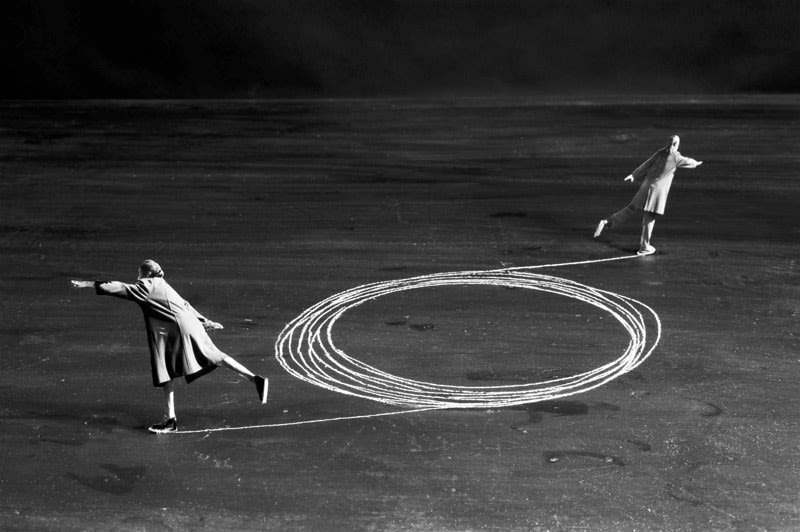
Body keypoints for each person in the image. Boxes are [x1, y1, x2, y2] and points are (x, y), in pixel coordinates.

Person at [71, 259, 268, 433]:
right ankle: (255, 379)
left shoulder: (145, 286)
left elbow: (120, 287)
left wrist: (89, 284)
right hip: (190, 324)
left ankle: (170, 419)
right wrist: (205, 321)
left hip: (174, 330)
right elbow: (185, 304)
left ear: (146, 273)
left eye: (139, 273)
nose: (137, 277)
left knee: (165, 370)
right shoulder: (162, 284)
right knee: (214, 355)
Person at [593, 135, 702, 255]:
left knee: (631, 208)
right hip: (657, 191)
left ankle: (607, 222)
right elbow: (689, 162)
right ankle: (644, 247)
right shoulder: (676, 157)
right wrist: (696, 163)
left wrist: (634, 174)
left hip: (646, 185)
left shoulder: (660, 153)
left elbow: (646, 164)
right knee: (649, 218)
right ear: (676, 144)